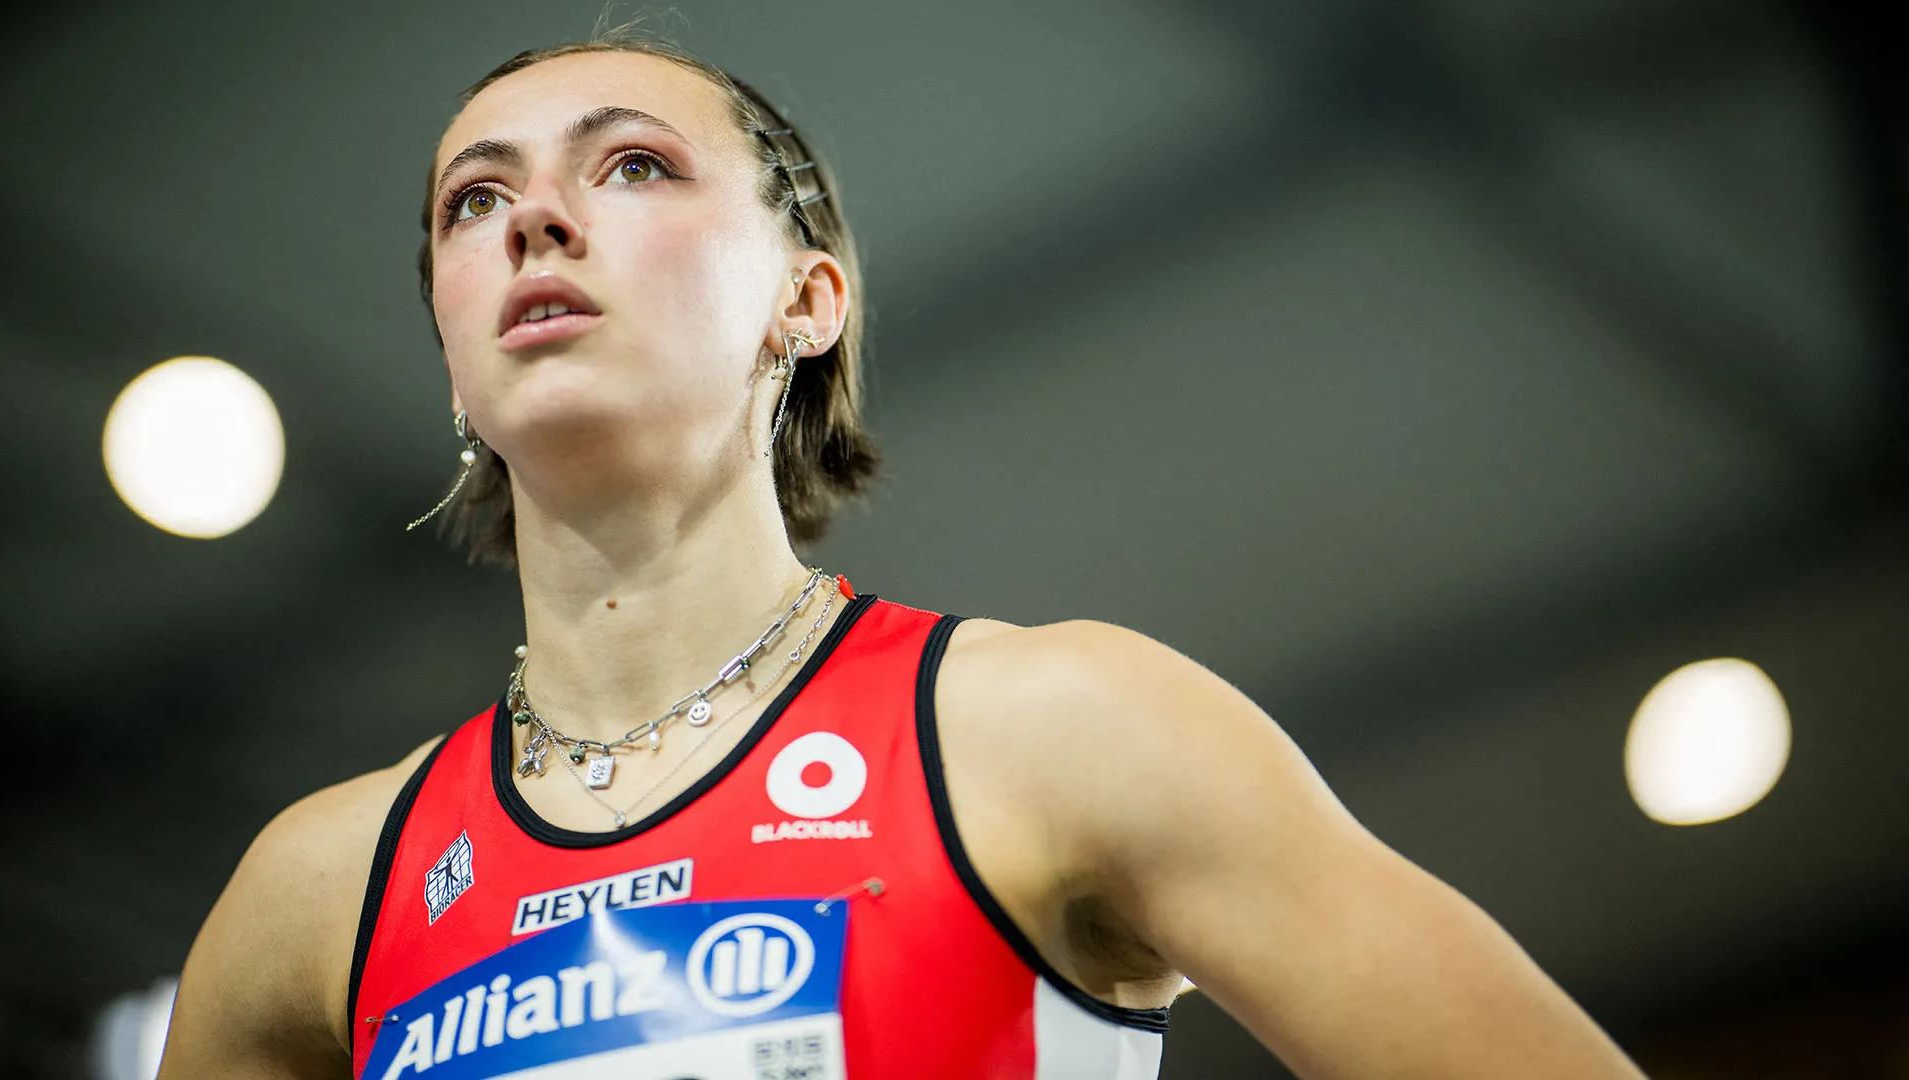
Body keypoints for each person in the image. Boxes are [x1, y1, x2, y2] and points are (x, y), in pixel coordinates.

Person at [158, 28, 1649, 1080]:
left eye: (633, 167)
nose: (535, 218)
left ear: (806, 301)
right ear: (450, 348)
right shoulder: (319, 893)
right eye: (474, 201)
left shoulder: (1064, 733)